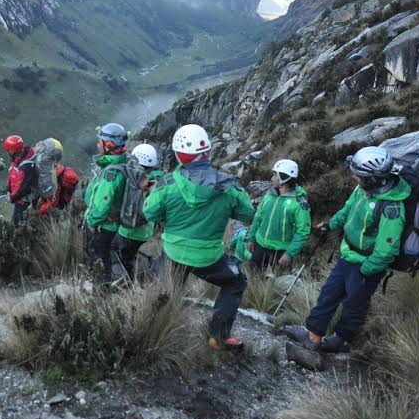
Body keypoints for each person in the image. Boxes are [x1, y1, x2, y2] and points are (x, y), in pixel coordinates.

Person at [286, 146, 410, 353]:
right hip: (347, 256)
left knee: (354, 304)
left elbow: (387, 250)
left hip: (365, 265)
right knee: (328, 295)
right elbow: (346, 211)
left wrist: (366, 270)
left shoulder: (392, 208)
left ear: (372, 179)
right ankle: (313, 335)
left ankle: (340, 341)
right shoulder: (362, 191)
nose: (354, 177)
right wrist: (330, 225)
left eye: (358, 175)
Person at [143, 124, 255, 350]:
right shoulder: (227, 185)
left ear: (179, 155)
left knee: (165, 288)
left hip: (174, 252)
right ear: (207, 152)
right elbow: (246, 213)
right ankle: (218, 337)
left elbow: (149, 212)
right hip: (209, 257)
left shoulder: (167, 184)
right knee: (235, 283)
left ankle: (153, 329)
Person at [83, 124, 129, 283]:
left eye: (100, 142)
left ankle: (101, 290)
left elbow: (103, 202)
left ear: (108, 145)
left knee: (100, 257)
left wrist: (91, 221)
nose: (97, 145)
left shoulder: (112, 172)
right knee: (104, 255)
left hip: (103, 225)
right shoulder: (122, 162)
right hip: (111, 224)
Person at [246, 159, 311, 271]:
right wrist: (251, 238)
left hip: (280, 253)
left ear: (284, 177)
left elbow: (302, 232)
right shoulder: (269, 195)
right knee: (254, 278)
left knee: (276, 285)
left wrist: (289, 254)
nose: (272, 178)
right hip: (260, 247)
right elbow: (258, 217)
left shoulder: (299, 203)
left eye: (275, 175)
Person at [113, 143, 165, 280]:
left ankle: (125, 285)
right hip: (146, 231)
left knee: (120, 258)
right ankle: (138, 281)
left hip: (127, 230)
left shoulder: (131, 177)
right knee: (132, 258)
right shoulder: (160, 181)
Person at [4, 134, 37, 225]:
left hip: (24, 200)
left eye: (9, 150)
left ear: (13, 151)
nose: (8, 152)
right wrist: (8, 190)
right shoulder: (18, 159)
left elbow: (25, 188)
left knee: (17, 224)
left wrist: (12, 198)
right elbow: (12, 174)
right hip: (18, 197)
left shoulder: (26, 166)